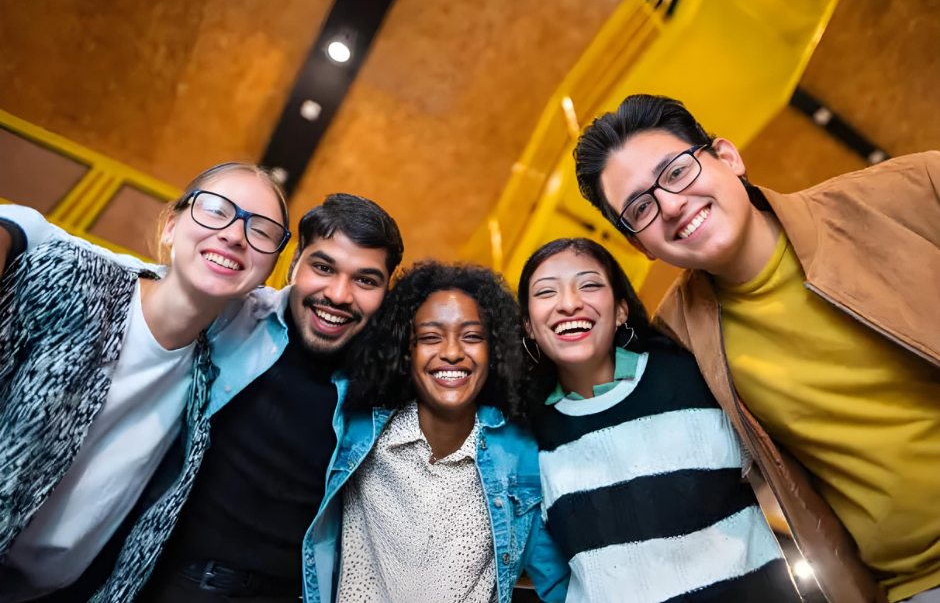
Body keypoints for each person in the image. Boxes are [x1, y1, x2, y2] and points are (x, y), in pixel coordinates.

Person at [573, 94, 940, 603]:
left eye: (677, 172)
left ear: (727, 157)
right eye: (641, 208)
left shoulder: (910, 194)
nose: (671, 205)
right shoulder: (676, 345)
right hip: (916, 583)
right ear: (641, 246)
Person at [0, 163, 291, 602]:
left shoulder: (214, 377)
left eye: (262, 231)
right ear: (172, 226)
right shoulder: (74, 283)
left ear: (268, 267)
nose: (234, 234)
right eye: (216, 211)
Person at [137, 192, 405, 603]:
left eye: (365, 280)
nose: (338, 294)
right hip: (169, 579)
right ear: (295, 263)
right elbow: (142, 284)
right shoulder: (231, 314)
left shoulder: (386, 388)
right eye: (323, 267)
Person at [518, 237, 798, 603]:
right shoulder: (526, 438)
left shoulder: (694, 374)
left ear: (621, 310)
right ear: (527, 325)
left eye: (589, 284)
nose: (569, 303)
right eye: (546, 292)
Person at [327, 262, 570, 603]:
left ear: (495, 351)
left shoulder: (519, 457)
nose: (453, 353)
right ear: (406, 350)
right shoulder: (357, 432)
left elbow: (562, 583)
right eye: (429, 337)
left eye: (472, 337)